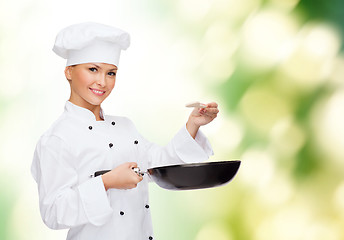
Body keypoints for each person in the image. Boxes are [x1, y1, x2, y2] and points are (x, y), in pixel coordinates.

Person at [31, 22, 219, 240]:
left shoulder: (125, 126)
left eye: (111, 73)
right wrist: (107, 182)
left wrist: (193, 125)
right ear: (69, 71)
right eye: (93, 69)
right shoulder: (57, 138)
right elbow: (54, 212)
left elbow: (159, 165)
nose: (102, 82)